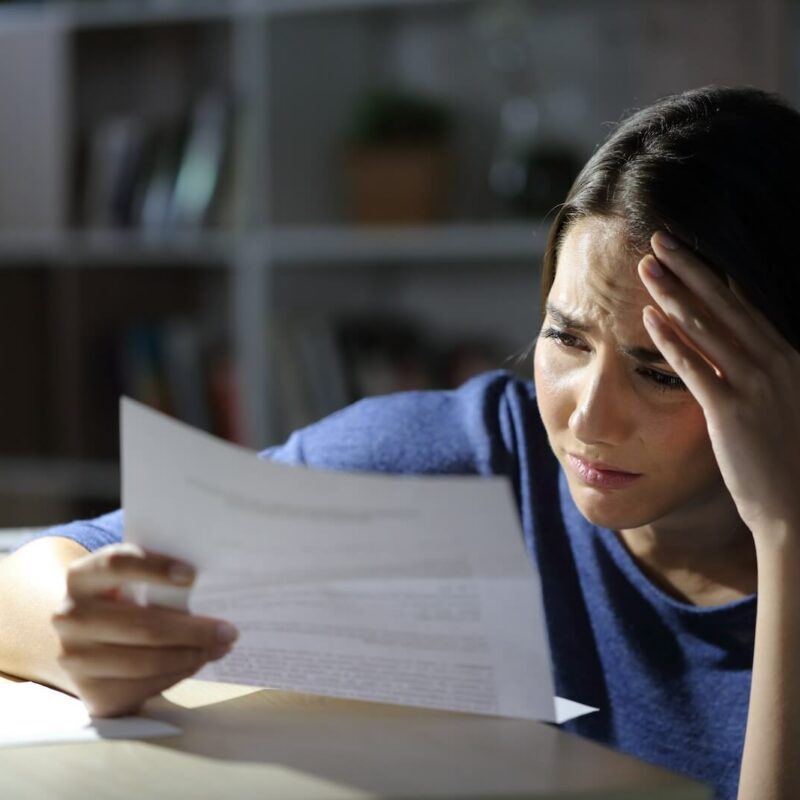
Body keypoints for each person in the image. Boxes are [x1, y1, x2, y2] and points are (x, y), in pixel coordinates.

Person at [1, 84, 798, 800]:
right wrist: (83, 638)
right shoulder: (476, 459)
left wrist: (786, 530)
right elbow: (27, 577)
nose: (589, 418)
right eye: (566, 337)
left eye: (661, 372)